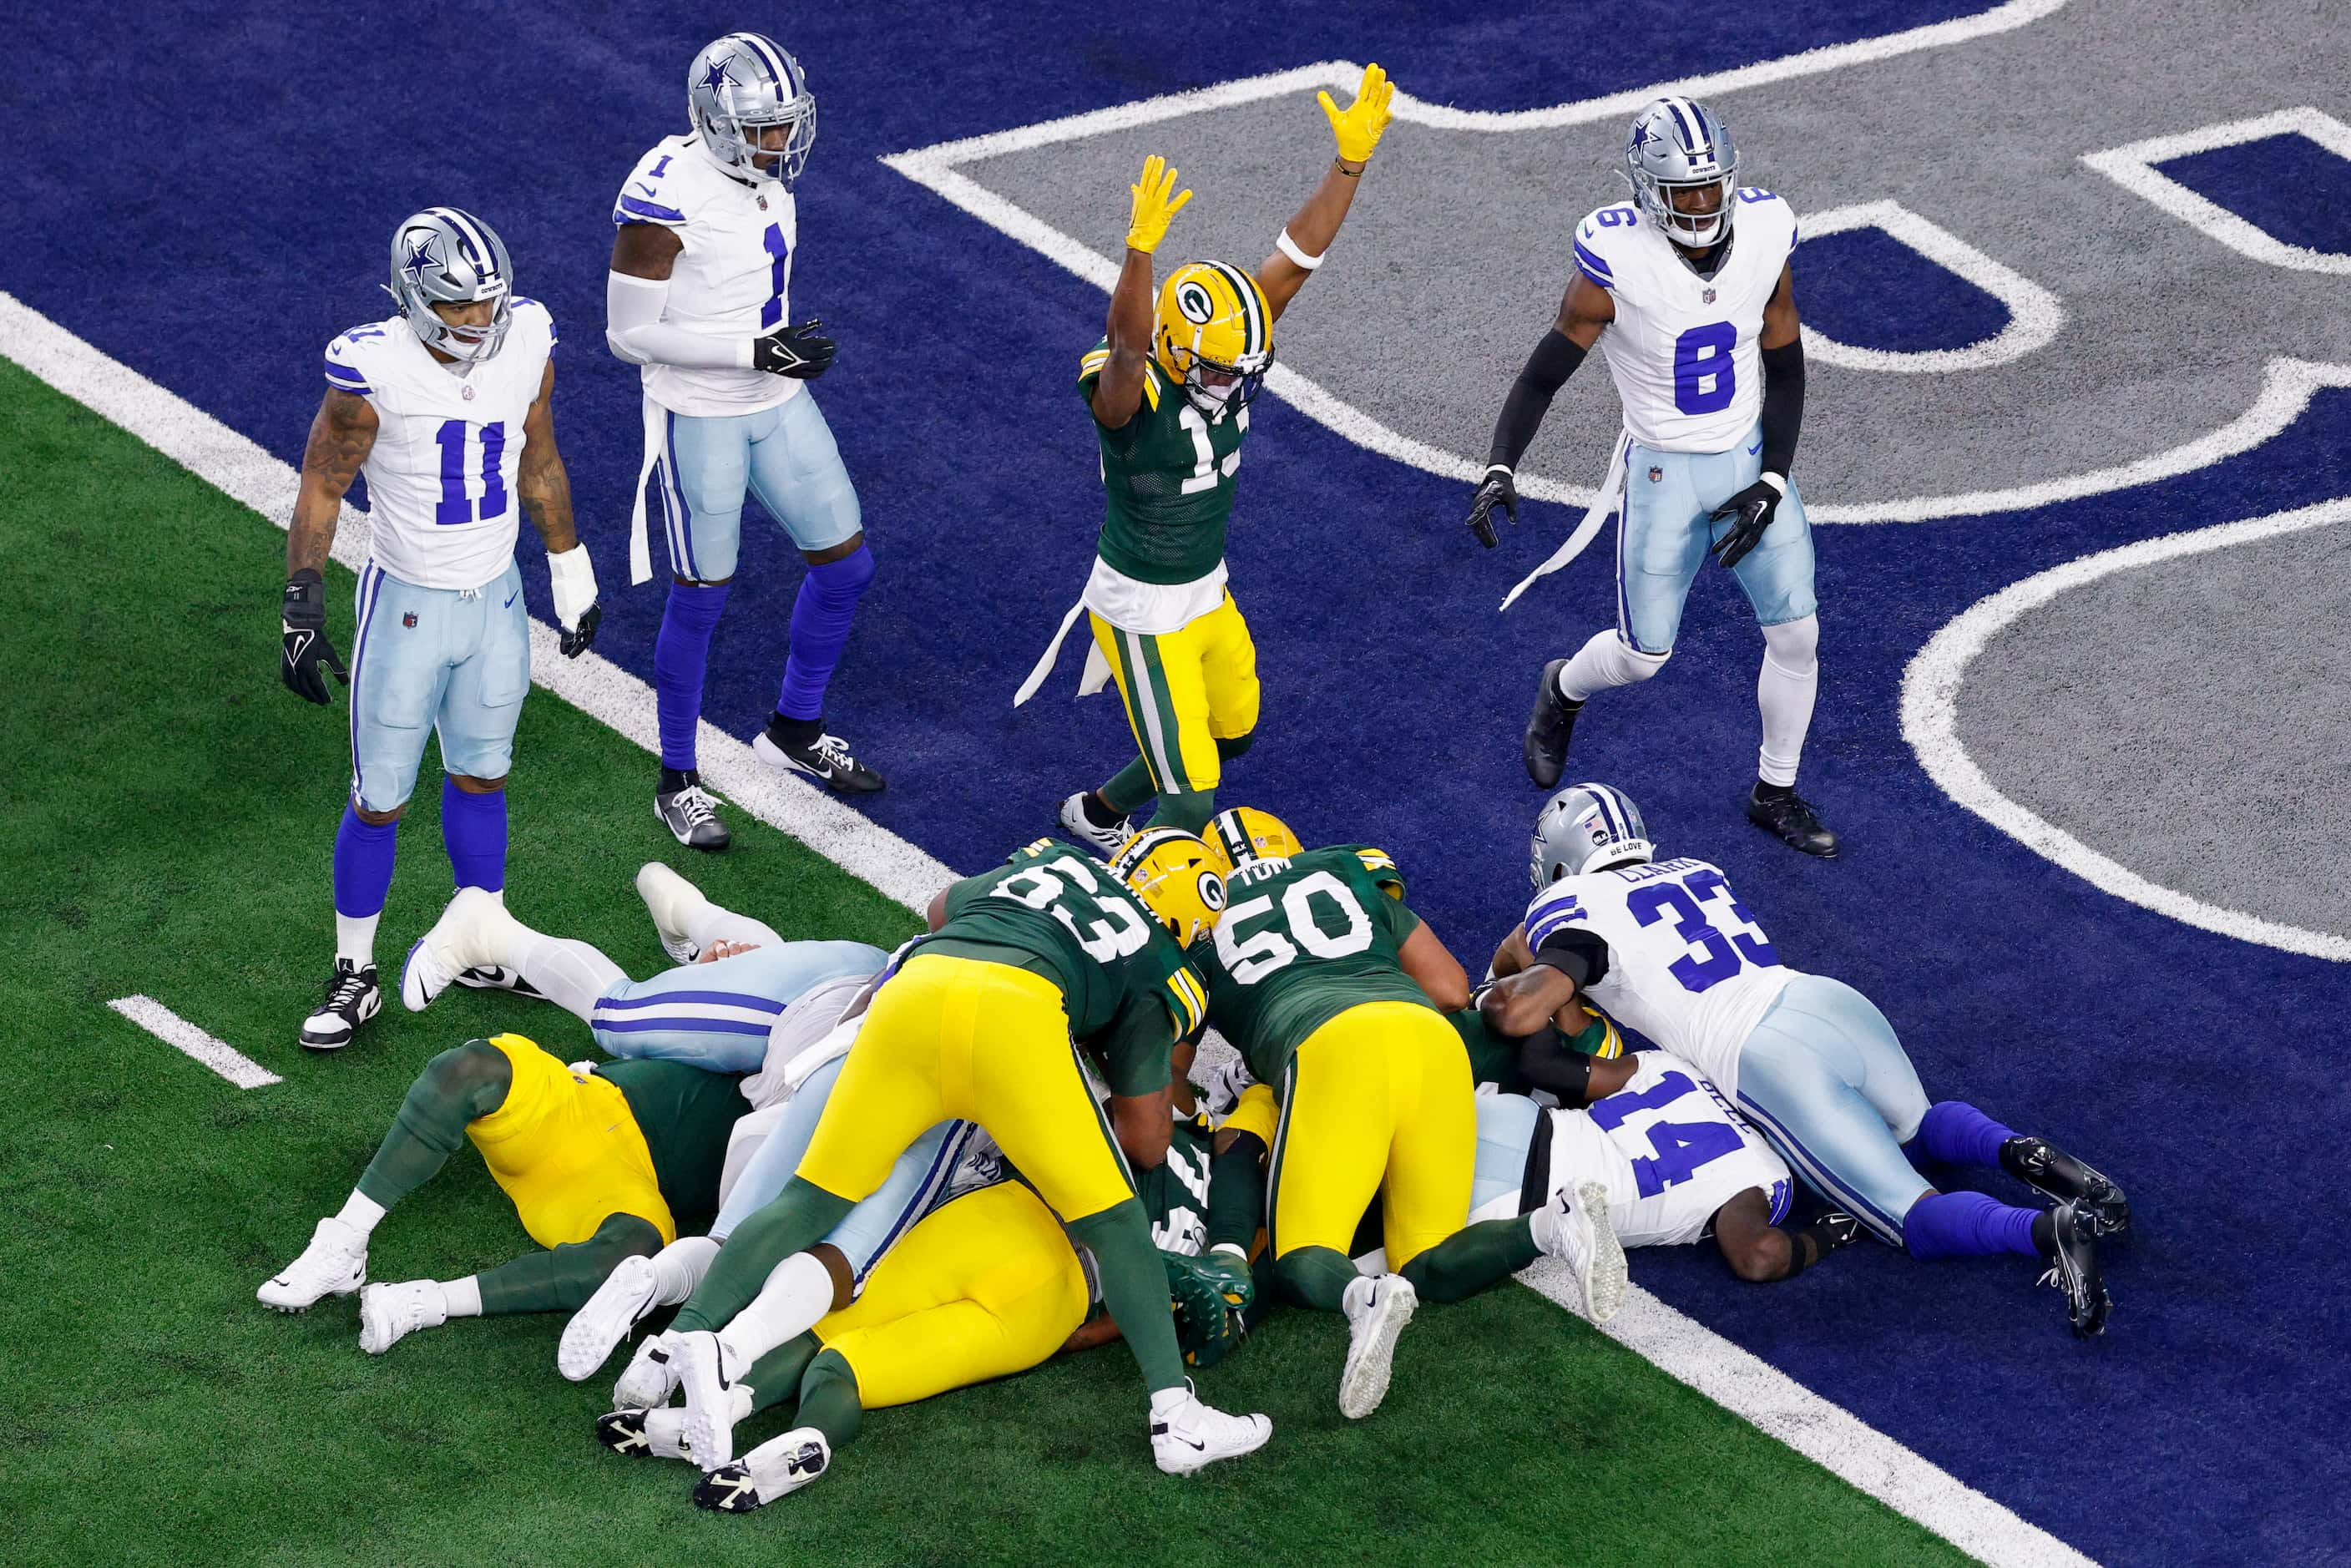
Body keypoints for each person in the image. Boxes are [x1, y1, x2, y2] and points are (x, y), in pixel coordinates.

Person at [649, 832, 1272, 1474]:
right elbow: (1145, 1139)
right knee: (1115, 1224)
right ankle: (1177, 1417)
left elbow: (940, 910)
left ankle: (676, 1348)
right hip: (1013, 1021)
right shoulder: (1160, 958)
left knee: (807, 1199)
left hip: (910, 1000)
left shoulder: (1052, 862)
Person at [1484, 782, 2130, 1335]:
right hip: (1818, 997)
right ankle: (2028, 1153)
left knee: (1913, 1218)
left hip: (1762, 1056)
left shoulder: (1566, 911)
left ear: (1563, 864)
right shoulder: (1695, 869)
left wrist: (1493, 986)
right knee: (1920, 1125)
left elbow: (1519, 1010)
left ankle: (2048, 1230)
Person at [1024, 66, 1395, 852]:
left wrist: (1349, 164)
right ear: (1174, 348)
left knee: (1234, 733)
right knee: (1193, 802)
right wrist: (1138, 253)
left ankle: (1096, 810)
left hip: (1205, 587)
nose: (1234, 383)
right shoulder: (1134, 394)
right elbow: (1126, 348)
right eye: (1222, 369)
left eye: (1243, 368)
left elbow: (1294, 262)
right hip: (1140, 609)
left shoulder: (1221, 352)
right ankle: (1130, 922)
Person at [1464, 97, 1835, 857]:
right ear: (1646, 191)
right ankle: (1562, 688)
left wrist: (1772, 477)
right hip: (1664, 470)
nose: (1699, 206)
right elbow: (1543, 376)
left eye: (1709, 188)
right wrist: (1502, 462)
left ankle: (1776, 790)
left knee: (1799, 633)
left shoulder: (1766, 233)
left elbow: (1786, 365)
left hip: (1744, 457)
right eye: (1682, 192)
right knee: (1643, 657)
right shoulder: (1614, 266)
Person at [1187, 807, 1626, 1421]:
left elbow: (1164, 1080)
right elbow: (1449, 991)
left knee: (1300, 1256)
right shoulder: (1344, 874)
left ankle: (1360, 1298)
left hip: (1329, 1051)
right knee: (1426, 1259)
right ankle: (1555, 1225)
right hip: (1430, 1041)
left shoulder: (1198, 928)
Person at [280, 206, 598, 1050]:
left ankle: (483, 939)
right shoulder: (372, 371)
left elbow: (538, 453)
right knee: (380, 798)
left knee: (482, 776)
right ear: (419, 301)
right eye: (460, 307)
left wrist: (568, 566)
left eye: (488, 302)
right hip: (408, 606)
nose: (481, 320)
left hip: (494, 600)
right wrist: (301, 602)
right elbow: (322, 483)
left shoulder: (526, 338)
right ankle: (355, 973)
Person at [608, 30, 882, 853]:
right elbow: (627, 334)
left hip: (774, 397)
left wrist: (772, 355)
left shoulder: (760, 178)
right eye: (764, 128)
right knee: (702, 594)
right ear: (716, 123)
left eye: (785, 124)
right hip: (700, 411)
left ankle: (796, 728)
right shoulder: (663, 194)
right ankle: (677, 779)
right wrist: (751, 351)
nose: (780, 142)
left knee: (846, 566)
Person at [254, 1030, 736, 1355]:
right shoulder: (793, 1009)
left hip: (621, 1182)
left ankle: (428, 1302)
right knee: (471, 1068)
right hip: (583, 1101)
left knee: (632, 1263)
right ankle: (342, 1242)